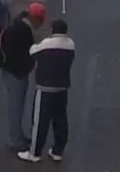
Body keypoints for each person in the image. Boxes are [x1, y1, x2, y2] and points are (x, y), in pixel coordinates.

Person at [17, 20, 76, 163]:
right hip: (62, 88)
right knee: (60, 120)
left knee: (40, 122)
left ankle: (34, 153)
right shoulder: (70, 45)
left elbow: (32, 51)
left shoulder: (47, 44)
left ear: (52, 30)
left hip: (45, 88)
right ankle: (58, 151)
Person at [0, 3, 46, 152]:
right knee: (16, 108)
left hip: (9, 70)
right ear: (36, 18)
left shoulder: (17, 25)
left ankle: (18, 136)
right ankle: (16, 141)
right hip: (16, 73)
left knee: (16, 107)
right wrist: (28, 66)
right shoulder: (23, 31)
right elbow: (24, 53)